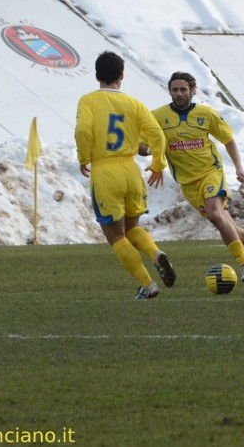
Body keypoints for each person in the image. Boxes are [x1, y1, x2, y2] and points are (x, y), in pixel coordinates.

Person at [143, 71, 244, 283]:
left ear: (192, 91)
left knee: (215, 214)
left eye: (183, 89)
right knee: (226, 224)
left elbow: (228, 139)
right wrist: (149, 150)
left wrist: (239, 167)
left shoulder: (206, 113)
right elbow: (142, 143)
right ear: (170, 91)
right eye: (175, 90)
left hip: (211, 173)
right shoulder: (157, 116)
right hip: (188, 184)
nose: (179, 94)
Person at [75, 51, 177, 300]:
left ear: (97, 75)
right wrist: (157, 163)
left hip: (106, 170)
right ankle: (154, 253)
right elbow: (157, 134)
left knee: (114, 235)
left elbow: (82, 129)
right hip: (131, 170)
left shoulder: (88, 100)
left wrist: (83, 158)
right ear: (122, 75)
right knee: (132, 228)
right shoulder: (134, 103)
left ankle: (147, 284)